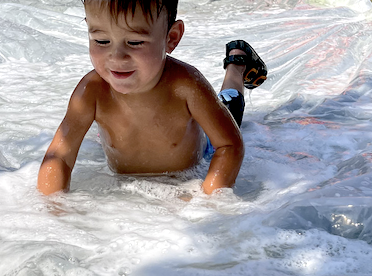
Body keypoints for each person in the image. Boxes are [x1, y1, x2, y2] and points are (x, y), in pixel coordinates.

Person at [36, 0, 267, 196]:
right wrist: (54, 209)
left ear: (171, 38)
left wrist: (209, 202)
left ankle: (237, 64)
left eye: (135, 42)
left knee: (229, 104)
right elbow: (60, 158)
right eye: (101, 41)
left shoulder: (186, 85)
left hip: (203, 148)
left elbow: (229, 145)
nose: (116, 57)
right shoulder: (92, 91)